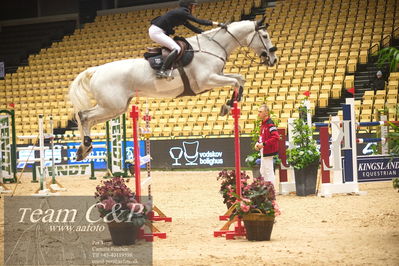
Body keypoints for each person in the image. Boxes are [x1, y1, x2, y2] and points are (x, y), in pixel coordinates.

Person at [149, 0, 224, 79]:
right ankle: (161, 70)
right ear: (189, 6)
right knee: (177, 48)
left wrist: (208, 34)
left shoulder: (181, 15)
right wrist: (218, 24)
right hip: (157, 32)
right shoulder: (182, 12)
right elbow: (199, 21)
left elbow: (194, 28)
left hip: (158, 31)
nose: (194, 8)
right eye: (194, 6)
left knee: (175, 47)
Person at [254, 104, 280, 184]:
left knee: (268, 170)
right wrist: (258, 143)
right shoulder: (263, 123)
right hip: (263, 150)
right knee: (263, 170)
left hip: (268, 150)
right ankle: (266, 188)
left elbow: (276, 137)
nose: (259, 114)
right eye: (258, 112)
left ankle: (271, 189)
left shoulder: (270, 123)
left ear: (266, 113)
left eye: (260, 112)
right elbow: (262, 136)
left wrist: (264, 144)